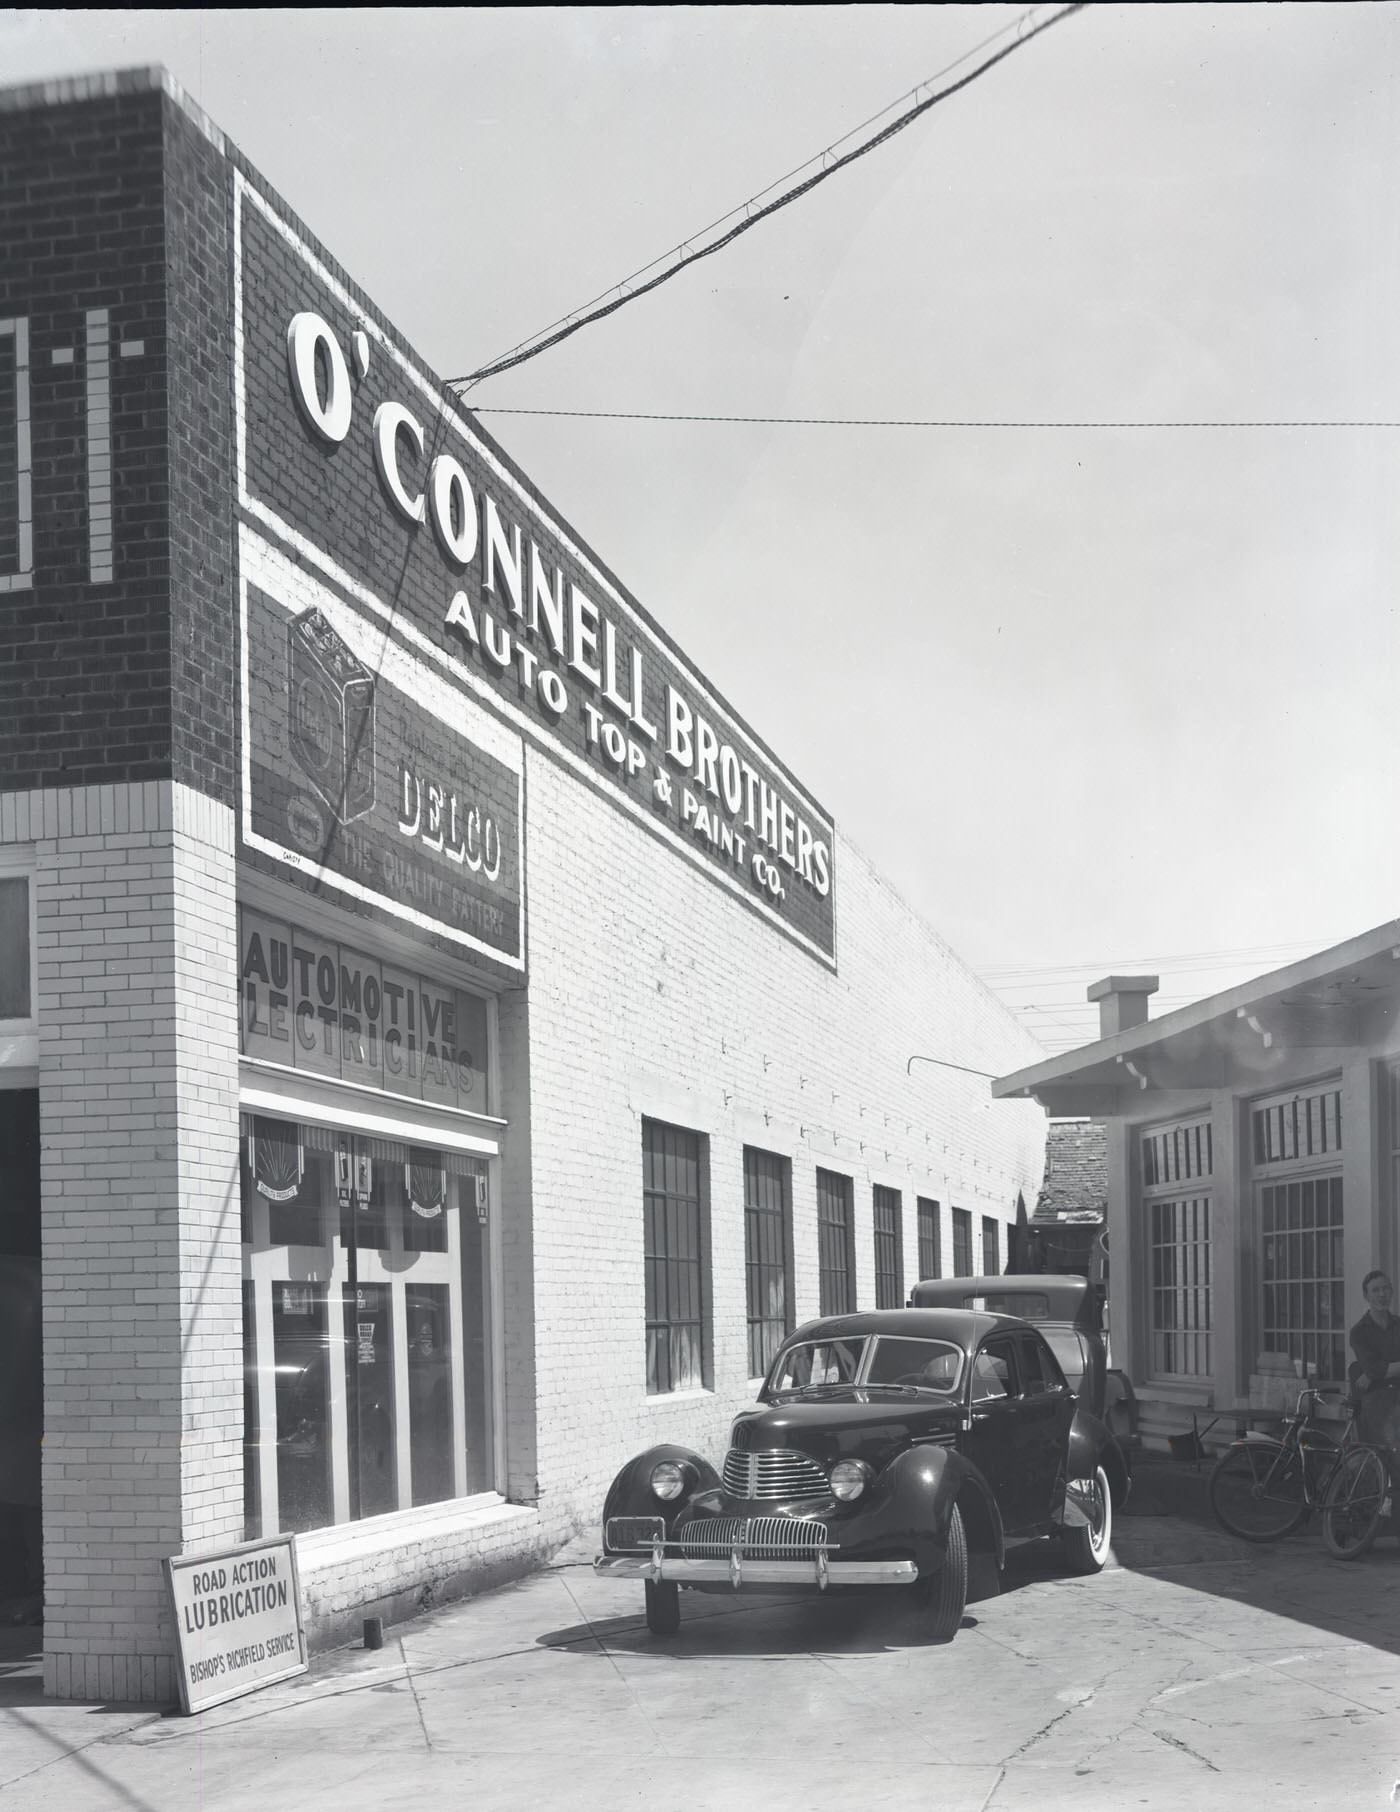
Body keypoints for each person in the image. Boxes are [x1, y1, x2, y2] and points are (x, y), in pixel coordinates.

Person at [1348, 1270, 1400, 1449]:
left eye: (1386, 1289)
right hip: (1377, 1400)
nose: (1382, 1294)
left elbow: (1375, 1371)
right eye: (1376, 1290)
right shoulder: (1359, 1332)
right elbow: (1373, 1369)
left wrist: (1377, 1372)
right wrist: (1374, 1372)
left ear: (1392, 1292)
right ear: (1366, 1296)